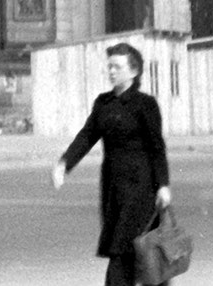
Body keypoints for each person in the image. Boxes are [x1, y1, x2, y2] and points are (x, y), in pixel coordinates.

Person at [52, 42, 171, 286]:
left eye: (117, 67)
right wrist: (65, 164)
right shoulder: (103, 103)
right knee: (140, 255)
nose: (112, 72)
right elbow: (87, 136)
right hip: (113, 189)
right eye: (109, 67)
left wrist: (163, 185)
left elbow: (157, 148)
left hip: (141, 189)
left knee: (124, 253)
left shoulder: (145, 104)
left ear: (134, 71)